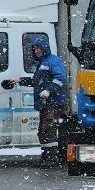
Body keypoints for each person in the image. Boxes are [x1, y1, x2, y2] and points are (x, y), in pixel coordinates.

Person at [19, 35, 69, 166]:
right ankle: (47, 156)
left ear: (44, 48)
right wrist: (20, 80)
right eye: (35, 49)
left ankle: (52, 158)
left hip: (53, 103)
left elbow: (60, 78)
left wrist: (49, 91)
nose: (36, 51)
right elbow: (38, 82)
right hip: (46, 104)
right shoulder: (42, 63)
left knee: (48, 129)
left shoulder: (53, 61)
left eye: (38, 48)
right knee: (43, 130)